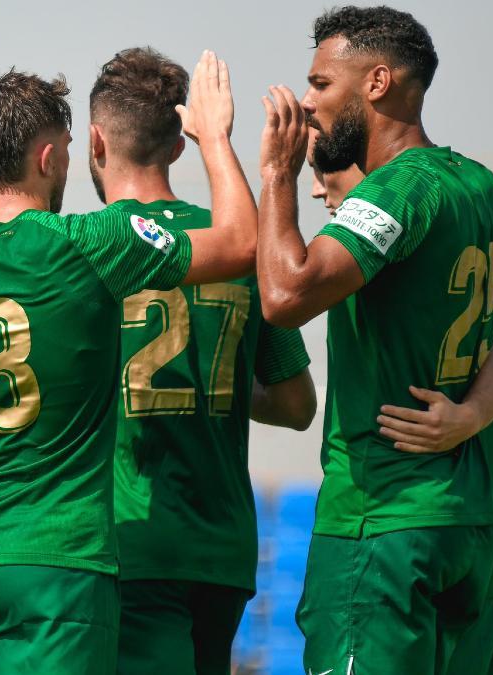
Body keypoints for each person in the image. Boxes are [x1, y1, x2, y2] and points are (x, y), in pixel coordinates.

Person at [0, 50, 257, 675]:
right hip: (56, 564)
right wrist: (212, 136)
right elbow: (240, 242)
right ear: (48, 157)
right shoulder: (91, 243)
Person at [253, 6, 493, 673]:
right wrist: (481, 402)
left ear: (378, 82)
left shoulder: (395, 192)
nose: (307, 103)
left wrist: (276, 174)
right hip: (470, 532)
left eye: (321, 84)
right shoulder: (481, 187)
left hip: (383, 526)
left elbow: (283, 296)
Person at [86, 47, 316, 675]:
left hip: (128, 541)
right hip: (222, 548)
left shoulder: (84, 253)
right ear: (181, 146)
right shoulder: (235, 255)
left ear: (96, 142)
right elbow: (297, 404)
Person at [313, 152, 493, 675]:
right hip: (485, 550)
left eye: (328, 173)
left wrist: (461, 431)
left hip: (397, 532)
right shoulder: (484, 280)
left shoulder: (379, 275)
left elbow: (286, 293)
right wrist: (475, 431)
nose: (319, 191)